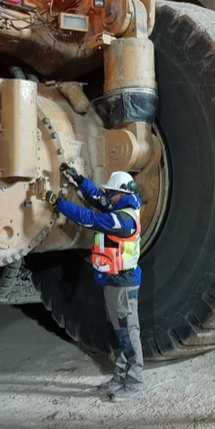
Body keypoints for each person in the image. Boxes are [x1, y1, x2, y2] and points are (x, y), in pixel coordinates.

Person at [43, 163, 144, 403]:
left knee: (128, 333)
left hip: (123, 282)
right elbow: (97, 198)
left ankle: (135, 382)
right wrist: (79, 180)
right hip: (113, 279)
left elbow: (88, 217)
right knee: (117, 332)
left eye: (112, 193)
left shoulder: (124, 220)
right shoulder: (121, 207)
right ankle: (120, 377)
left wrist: (59, 203)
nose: (108, 195)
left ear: (123, 194)